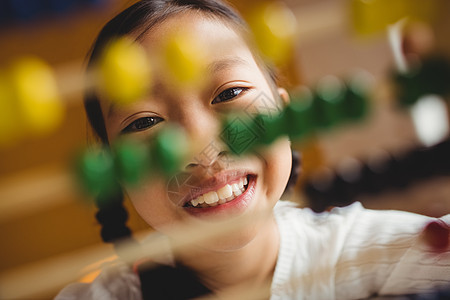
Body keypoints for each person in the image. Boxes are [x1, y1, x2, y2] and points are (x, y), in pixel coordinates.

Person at [55, 0, 450, 299]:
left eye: (230, 92)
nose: (202, 147)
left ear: (284, 111)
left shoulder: (393, 257)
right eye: (144, 122)